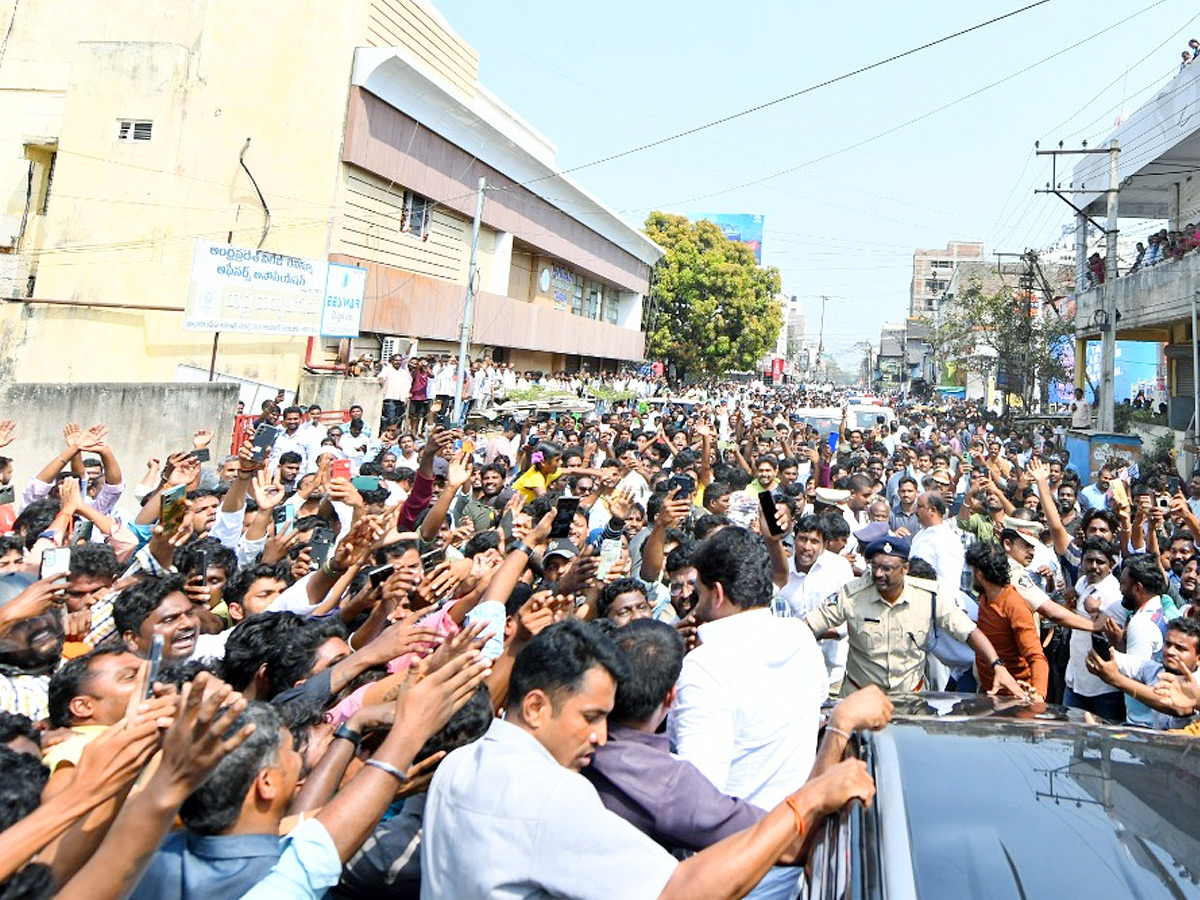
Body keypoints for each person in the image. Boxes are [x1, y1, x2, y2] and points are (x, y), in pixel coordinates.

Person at [421, 618, 876, 900]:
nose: (601, 736)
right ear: (537, 706)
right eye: (591, 717)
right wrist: (810, 800)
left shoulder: (461, 762)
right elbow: (682, 892)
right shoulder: (553, 796)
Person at [583, 619, 893, 855]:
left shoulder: (568, 743)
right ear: (671, 697)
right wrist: (840, 725)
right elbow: (787, 844)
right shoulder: (668, 786)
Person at [668, 527, 828, 899]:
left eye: (701, 592)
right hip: (792, 858)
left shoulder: (704, 667)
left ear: (718, 593)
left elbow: (698, 793)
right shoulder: (801, 640)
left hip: (732, 869)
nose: (696, 601)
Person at [804, 537, 1028, 697]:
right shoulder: (851, 594)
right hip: (861, 697)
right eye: (875, 567)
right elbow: (809, 626)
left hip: (910, 700)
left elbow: (969, 632)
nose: (879, 574)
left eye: (888, 568)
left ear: (905, 569)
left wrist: (997, 665)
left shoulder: (930, 595)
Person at [965, 542, 1049, 697]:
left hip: (1014, 697)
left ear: (979, 575)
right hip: (988, 694)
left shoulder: (1014, 606)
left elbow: (1036, 657)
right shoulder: (985, 597)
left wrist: (1039, 695)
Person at [1086, 617, 1200, 730]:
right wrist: (1102, 653)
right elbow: (1119, 660)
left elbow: (1164, 701)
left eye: (1180, 648)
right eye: (1168, 644)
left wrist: (1115, 679)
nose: (1170, 651)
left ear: (1198, 658)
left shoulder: (1196, 684)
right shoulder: (1156, 670)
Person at [1062, 538, 1126, 721]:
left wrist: (1097, 611)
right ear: (1081, 562)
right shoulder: (1082, 582)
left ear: (1111, 565)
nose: (1094, 567)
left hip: (1103, 686)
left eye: (1100, 562)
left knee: (1104, 741)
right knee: (1074, 738)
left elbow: (1115, 637)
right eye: (1089, 561)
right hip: (1075, 679)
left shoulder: (1115, 594)